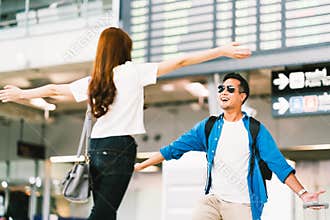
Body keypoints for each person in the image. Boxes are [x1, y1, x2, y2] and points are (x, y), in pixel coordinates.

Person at [0, 27, 251, 219]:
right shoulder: (133, 72)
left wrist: (23, 94)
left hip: (96, 148)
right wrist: (221, 51)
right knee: (104, 213)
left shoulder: (95, 81)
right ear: (124, 50)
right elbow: (181, 61)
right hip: (120, 148)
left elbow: (55, 89)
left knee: (104, 211)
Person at [134, 73, 326, 220]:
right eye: (221, 89)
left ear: (242, 97)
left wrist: (303, 194)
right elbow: (173, 149)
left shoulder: (255, 129)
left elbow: (278, 164)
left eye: (230, 89)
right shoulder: (208, 127)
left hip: (242, 204)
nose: (223, 92)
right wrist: (139, 166)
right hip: (213, 200)